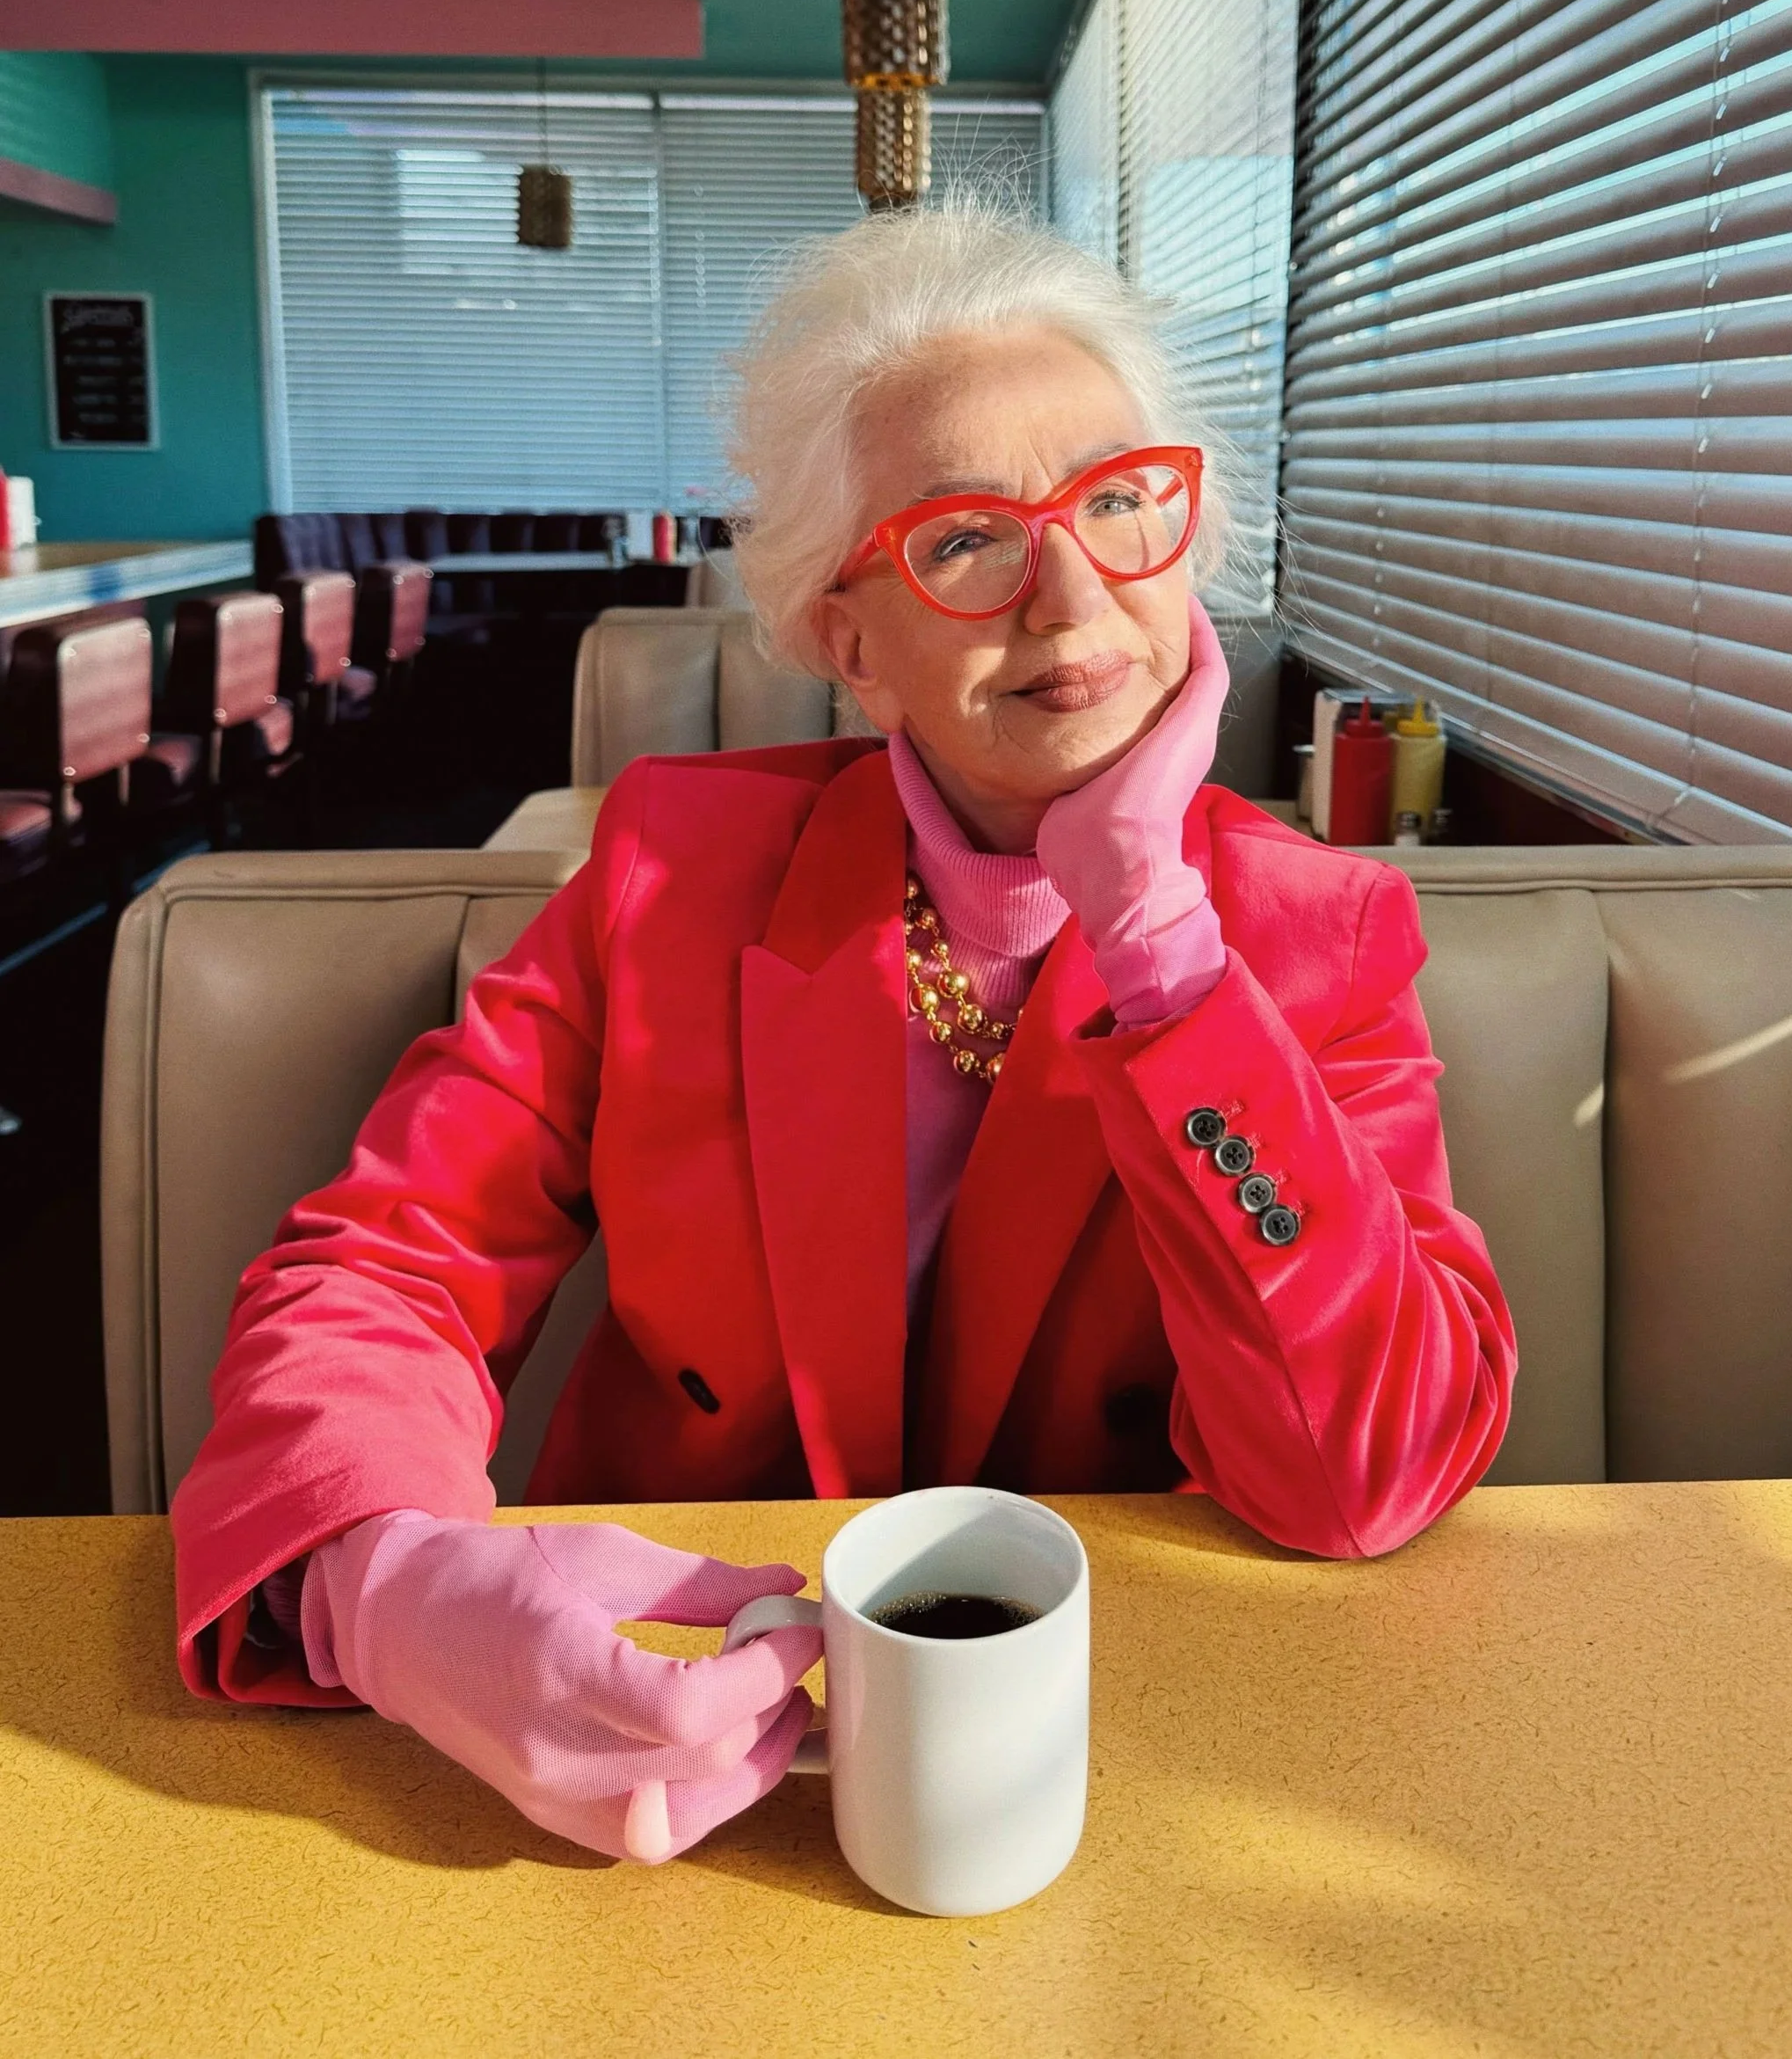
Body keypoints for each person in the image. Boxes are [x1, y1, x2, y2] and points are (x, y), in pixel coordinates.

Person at [171, 202, 1515, 1869]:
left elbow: (1368, 1471)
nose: (1071, 592)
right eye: (965, 538)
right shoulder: (670, 868)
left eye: (1118, 502)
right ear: (850, 642)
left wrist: (1158, 944)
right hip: (667, 1699)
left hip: (1144, 1749)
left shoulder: (1317, 932)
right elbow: (389, 1261)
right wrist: (383, 1580)